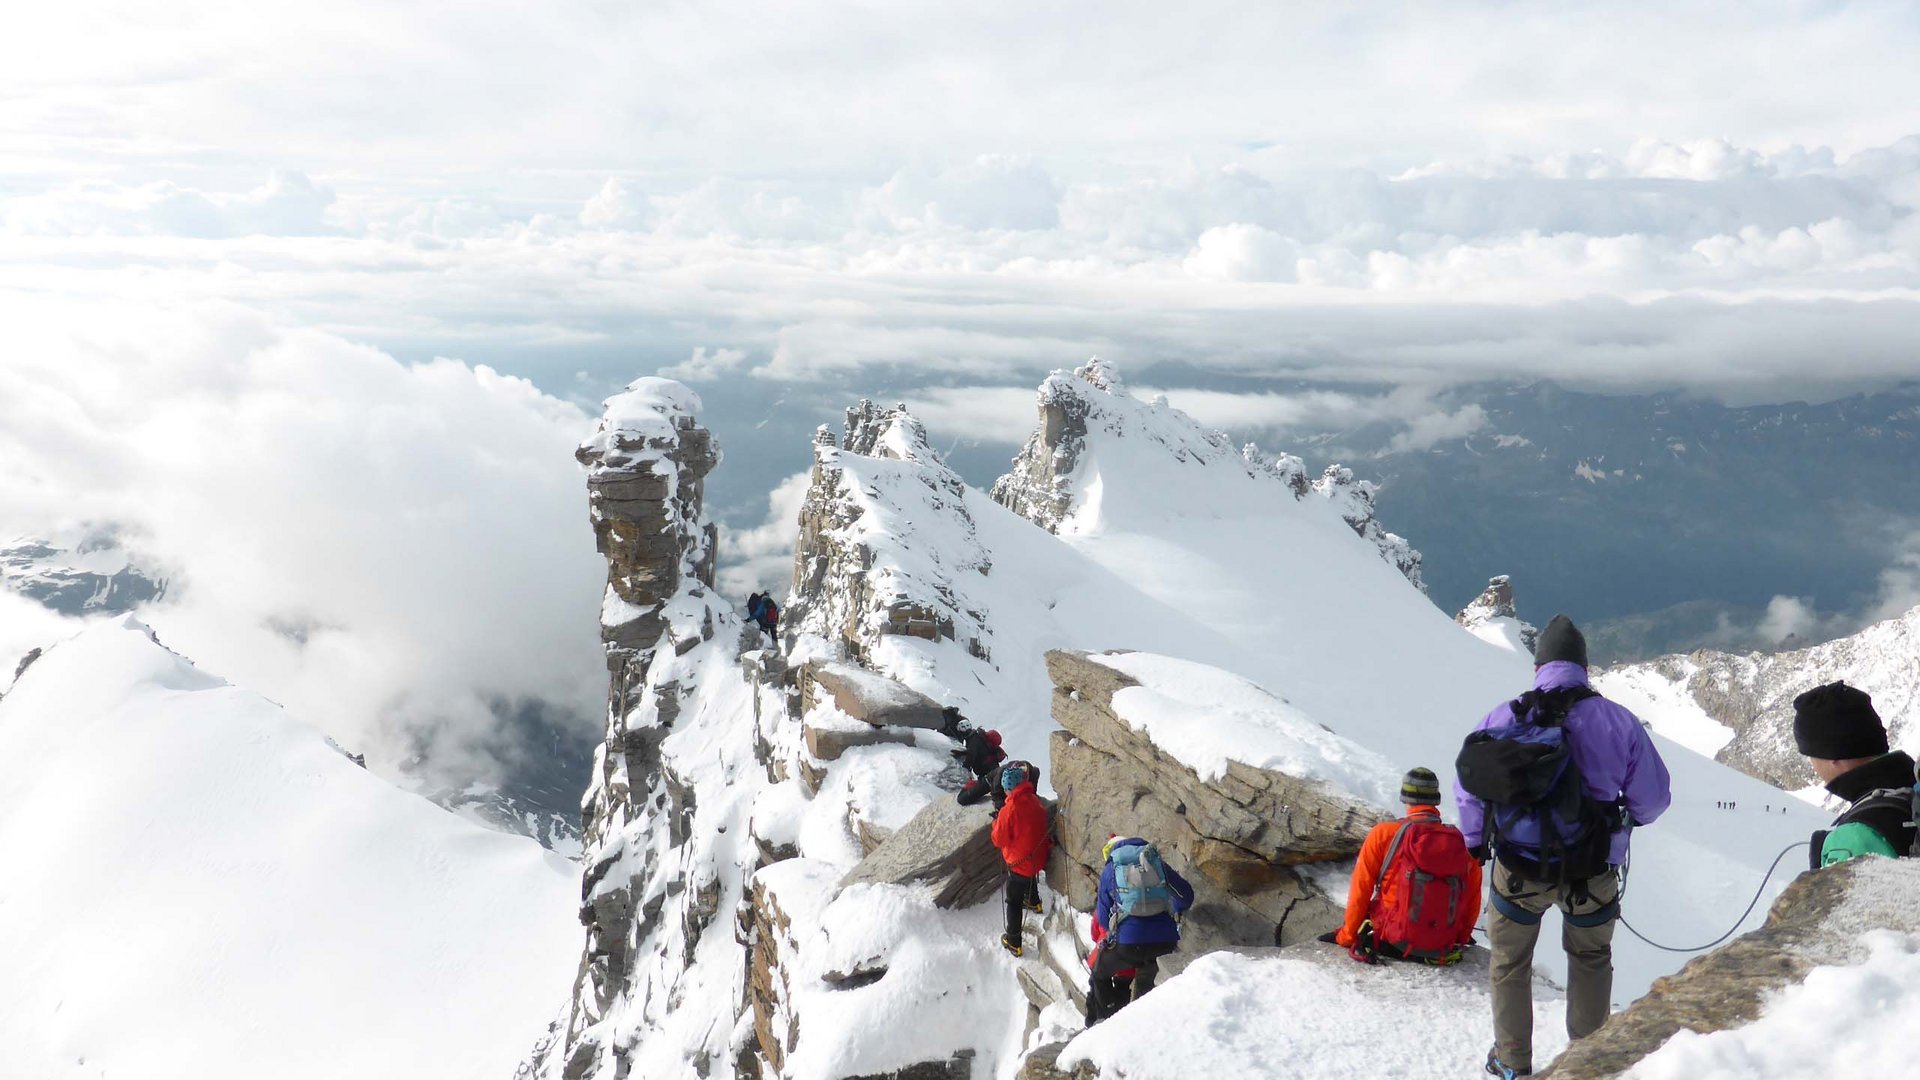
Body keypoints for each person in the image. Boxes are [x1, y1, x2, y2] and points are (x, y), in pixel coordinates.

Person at [1456, 615, 1672, 1080]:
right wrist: (1623, 820)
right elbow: (1653, 801)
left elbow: (1470, 784)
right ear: (1584, 667)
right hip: (1591, 869)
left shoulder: (1503, 717)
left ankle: (1513, 1063)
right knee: (1591, 958)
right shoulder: (1620, 722)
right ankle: (1587, 1065)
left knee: (1510, 962)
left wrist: (1475, 842)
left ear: (1538, 666)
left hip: (1517, 867)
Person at [1322, 767, 1480, 964]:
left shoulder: (1384, 833)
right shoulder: (1459, 843)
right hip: (1443, 944)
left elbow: (1361, 889)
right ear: (1436, 800)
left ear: (1405, 798)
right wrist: (1461, 938)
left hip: (1393, 942)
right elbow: (1471, 897)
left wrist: (1347, 936)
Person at [1795, 681, 1917, 867]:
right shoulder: (1912, 785)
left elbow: (1839, 897)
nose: (1813, 765)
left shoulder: (1854, 837)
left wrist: (1818, 878)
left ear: (1831, 756)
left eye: (1811, 755)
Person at [1086, 835, 1195, 1024]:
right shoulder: (1155, 863)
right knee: (1148, 981)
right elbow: (1186, 896)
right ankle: (1147, 1025)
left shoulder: (1111, 870)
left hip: (1129, 943)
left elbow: (1103, 919)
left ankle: (1106, 1023)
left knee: (1099, 974)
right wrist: (1174, 910)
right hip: (1165, 940)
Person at [990, 760, 1048, 957]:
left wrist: (997, 821)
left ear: (1008, 788)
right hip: (1037, 858)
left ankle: (1014, 941)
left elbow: (998, 839)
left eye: (1006, 789)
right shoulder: (1033, 800)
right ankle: (1034, 901)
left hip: (1019, 863)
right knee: (1028, 874)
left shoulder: (1009, 809)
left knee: (1013, 901)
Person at [954, 727, 1009, 809]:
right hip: (993, 773)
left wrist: (970, 783)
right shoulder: (981, 741)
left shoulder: (975, 740)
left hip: (988, 777)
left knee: (962, 798)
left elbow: (971, 757)